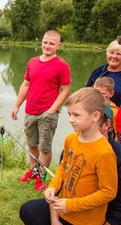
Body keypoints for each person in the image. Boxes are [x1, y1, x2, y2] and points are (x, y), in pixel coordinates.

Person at [19, 87, 118, 225]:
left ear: (96, 116)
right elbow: (63, 167)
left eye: (77, 115)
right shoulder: (70, 139)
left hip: (86, 220)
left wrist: (71, 205)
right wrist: (53, 187)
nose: (71, 120)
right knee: (27, 210)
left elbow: (108, 192)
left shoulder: (104, 152)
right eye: (69, 114)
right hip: (62, 211)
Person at [11, 30, 71, 191]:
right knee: (32, 144)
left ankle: (41, 176)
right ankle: (34, 171)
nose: (47, 45)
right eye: (45, 42)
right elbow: (26, 85)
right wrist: (17, 105)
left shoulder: (62, 65)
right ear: (41, 42)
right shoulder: (32, 62)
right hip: (30, 110)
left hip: (48, 112)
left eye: (51, 43)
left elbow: (65, 89)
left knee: (45, 147)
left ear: (58, 46)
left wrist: (53, 109)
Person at [86, 36, 121, 107]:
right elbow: (86, 94)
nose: (114, 56)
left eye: (118, 54)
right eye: (111, 52)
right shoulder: (98, 72)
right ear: (107, 53)